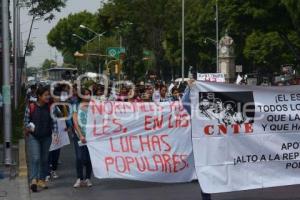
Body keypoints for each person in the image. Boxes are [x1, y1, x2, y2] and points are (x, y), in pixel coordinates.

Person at [182, 80, 212, 200]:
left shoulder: (214, 113)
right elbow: (185, 102)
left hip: (211, 146)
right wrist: (189, 89)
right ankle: (206, 195)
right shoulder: (196, 112)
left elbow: (184, 102)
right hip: (204, 145)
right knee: (206, 170)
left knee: (208, 170)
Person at [24, 86, 58, 192]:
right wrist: (29, 127)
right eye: (45, 95)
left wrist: (55, 134)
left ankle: (41, 180)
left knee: (44, 159)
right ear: (39, 96)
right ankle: (33, 180)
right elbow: (25, 121)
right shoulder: (31, 106)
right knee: (36, 158)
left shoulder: (51, 107)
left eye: (48, 95)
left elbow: (54, 121)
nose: (48, 97)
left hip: (47, 137)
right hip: (34, 137)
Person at [72, 88, 93, 188]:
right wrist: (80, 135)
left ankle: (88, 178)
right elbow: (75, 122)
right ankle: (79, 178)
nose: (88, 96)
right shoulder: (76, 105)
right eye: (86, 94)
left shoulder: (94, 106)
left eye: (89, 94)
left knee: (88, 159)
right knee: (79, 158)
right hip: (79, 136)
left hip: (91, 137)